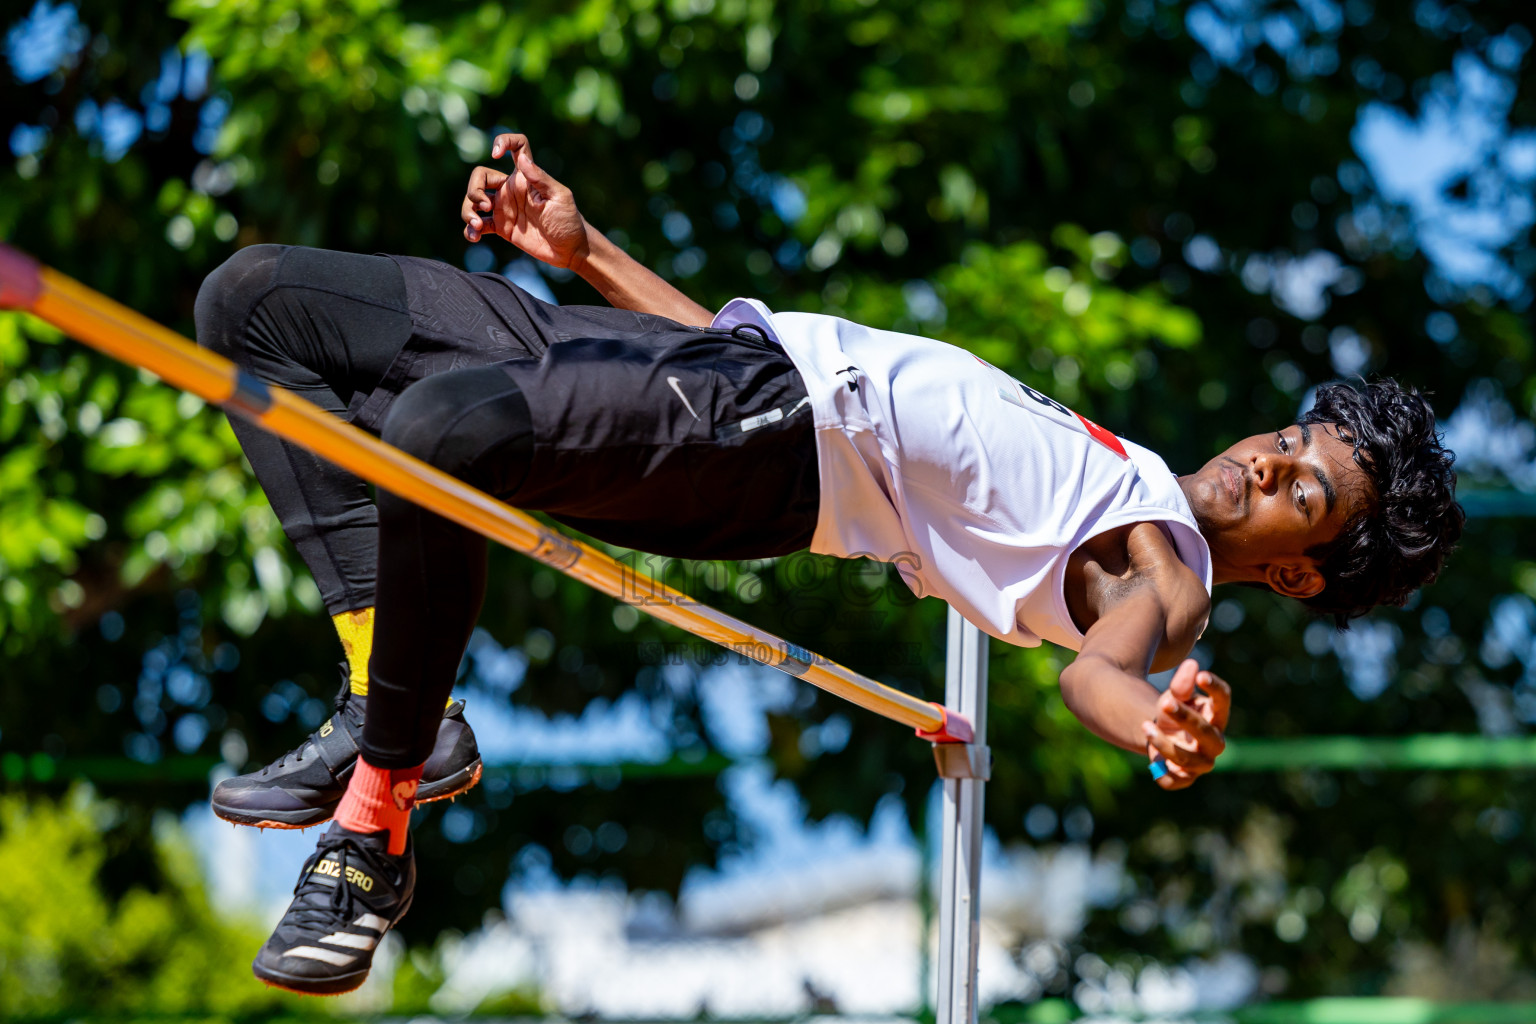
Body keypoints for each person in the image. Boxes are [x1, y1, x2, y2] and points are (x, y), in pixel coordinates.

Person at [193, 134, 1463, 995]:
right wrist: (586, 253)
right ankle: (389, 700)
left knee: (438, 437)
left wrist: (1161, 722)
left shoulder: (1165, 562)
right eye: (1289, 438)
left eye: (1303, 492)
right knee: (255, 308)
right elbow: (741, 359)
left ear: (1300, 570)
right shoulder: (1120, 457)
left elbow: (1104, 675)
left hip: (762, 449)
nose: (1264, 463)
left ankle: (376, 817)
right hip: (729, 379)